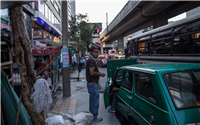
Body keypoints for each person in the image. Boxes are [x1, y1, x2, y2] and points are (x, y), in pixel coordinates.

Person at [86, 47, 105, 122]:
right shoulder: (91, 61)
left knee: (93, 101)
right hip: (93, 84)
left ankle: (92, 116)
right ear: (91, 52)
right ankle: (94, 117)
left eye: (98, 52)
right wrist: (100, 73)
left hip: (93, 84)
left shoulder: (92, 60)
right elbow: (92, 72)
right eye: (96, 52)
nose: (97, 54)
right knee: (95, 102)